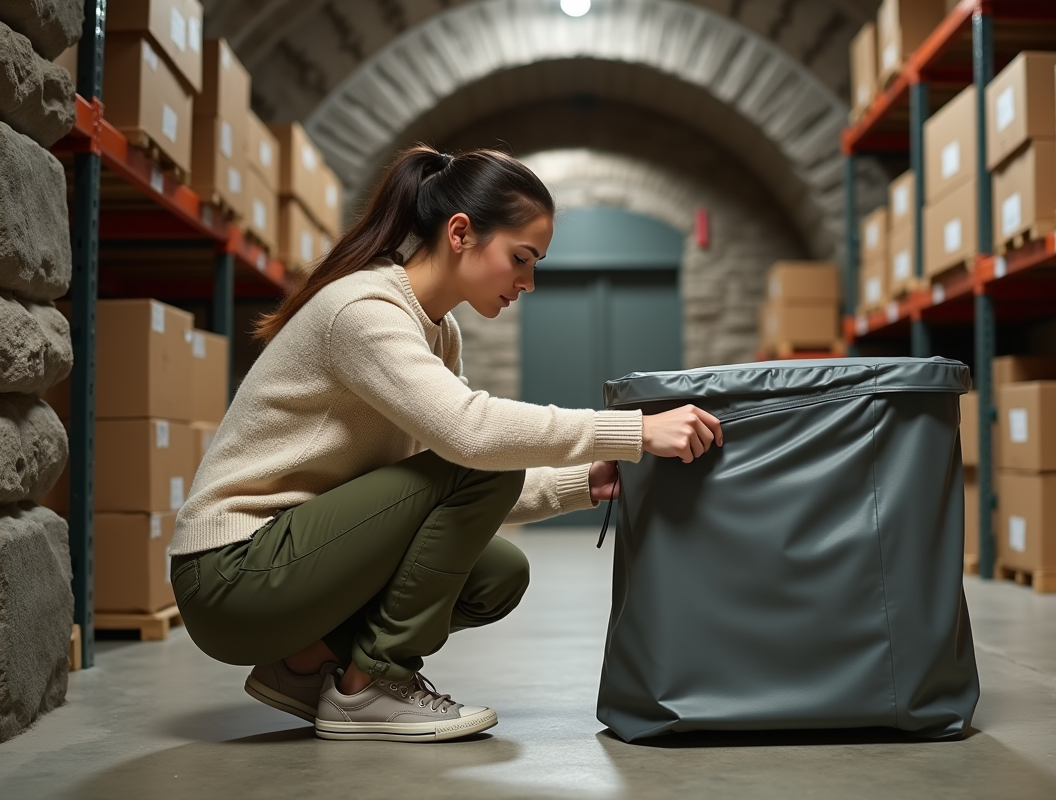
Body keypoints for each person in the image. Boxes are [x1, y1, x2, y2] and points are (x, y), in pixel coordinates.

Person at [170, 145, 723, 743]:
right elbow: (473, 440)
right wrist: (634, 430)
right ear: (461, 232)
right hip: (230, 575)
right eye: (521, 257)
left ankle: (306, 666)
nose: (528, 282)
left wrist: (580, 483)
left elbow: (446, 486)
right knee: (485, 463)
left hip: (293, 559)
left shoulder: (437, 330)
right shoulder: (364, 310)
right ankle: (370, 686)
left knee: (497, 574)